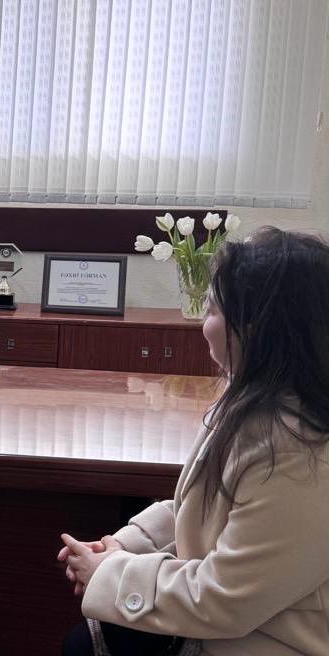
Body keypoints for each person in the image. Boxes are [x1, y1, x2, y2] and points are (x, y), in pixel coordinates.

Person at [57, 228, 329, 656]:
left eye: (213, 309)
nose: (204, 324)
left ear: (257, 330)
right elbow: (203, 506)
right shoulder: (254, 401)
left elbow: (225, 598)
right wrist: (126, 545)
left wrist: (110, 573)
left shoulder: (301, 449)